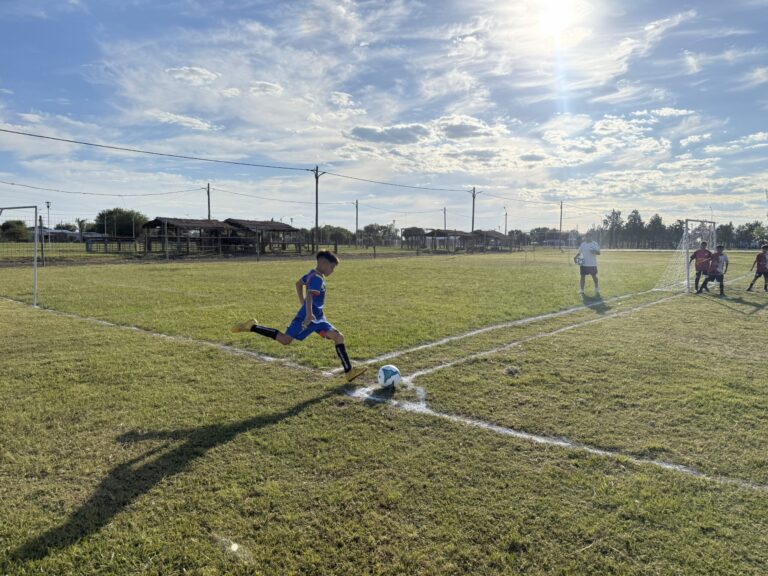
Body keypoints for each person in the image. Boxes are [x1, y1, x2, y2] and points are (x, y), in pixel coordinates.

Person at [231, 251, 367, 383]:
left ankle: (349, 372)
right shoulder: (317, 279)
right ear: (324, 264)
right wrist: (307, 312)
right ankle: (252, 327)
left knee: (338, 337)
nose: (333, 270)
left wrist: (303, 304)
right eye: (332, 267)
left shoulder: (312, 273)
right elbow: (309, 295)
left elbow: (298, 284)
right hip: (307, 318)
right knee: (285, 340)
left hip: (318, 318)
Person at [574, 231, 601, 297]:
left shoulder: (594, 244)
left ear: (591, 237)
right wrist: (575, 257)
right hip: (583, 264)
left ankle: (597, 288)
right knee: (582, 277)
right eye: (586, 236)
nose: (587, 237)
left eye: (589, 236)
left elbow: (599, 253)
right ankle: (582, 290)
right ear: (585, 237)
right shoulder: (583, 244)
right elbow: (579, 252)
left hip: (592, 264)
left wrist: (594, 251)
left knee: (594, 276)